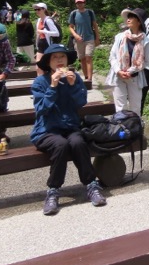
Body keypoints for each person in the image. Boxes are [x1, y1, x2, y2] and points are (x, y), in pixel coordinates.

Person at [31, 43, 107, 215]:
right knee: (61, 145)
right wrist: (52, 87)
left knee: (78, 142)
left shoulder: (74, 77)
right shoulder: (40, 82)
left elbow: (81, 103)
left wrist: (73, 86)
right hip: (46, 131)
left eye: (62, 57)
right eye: (55, 57)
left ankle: (91, 185)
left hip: (70, 127)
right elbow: (41, 110)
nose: (59, 60)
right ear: (48, 62)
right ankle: (53, 191)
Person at [108, 8, 149, 116]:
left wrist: (130, 71)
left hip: (134, 77)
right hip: (118, 75)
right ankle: (122, 130)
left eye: (132, 17)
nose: (128, 19)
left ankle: (135, 130)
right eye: (128, 17)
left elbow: (145, 61)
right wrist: (118, 70)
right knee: (120, 107)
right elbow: (112, 56)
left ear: (139, 22)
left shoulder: (145, 40)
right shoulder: (120, 37)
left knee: (135, 107)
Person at [68, 0, 100, 81]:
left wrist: (97, 38)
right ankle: (86, 77)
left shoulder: (90, 12)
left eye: (81, 2)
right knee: (82, 59)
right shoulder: (73, 13)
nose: (79, 4)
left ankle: (89, 78)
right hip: (79, 40)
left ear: (84, 3)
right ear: (76, 4)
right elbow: (71, 27)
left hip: (89, 38)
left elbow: (95, 25)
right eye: (78, 3)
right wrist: (75, 35)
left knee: (88, 57)